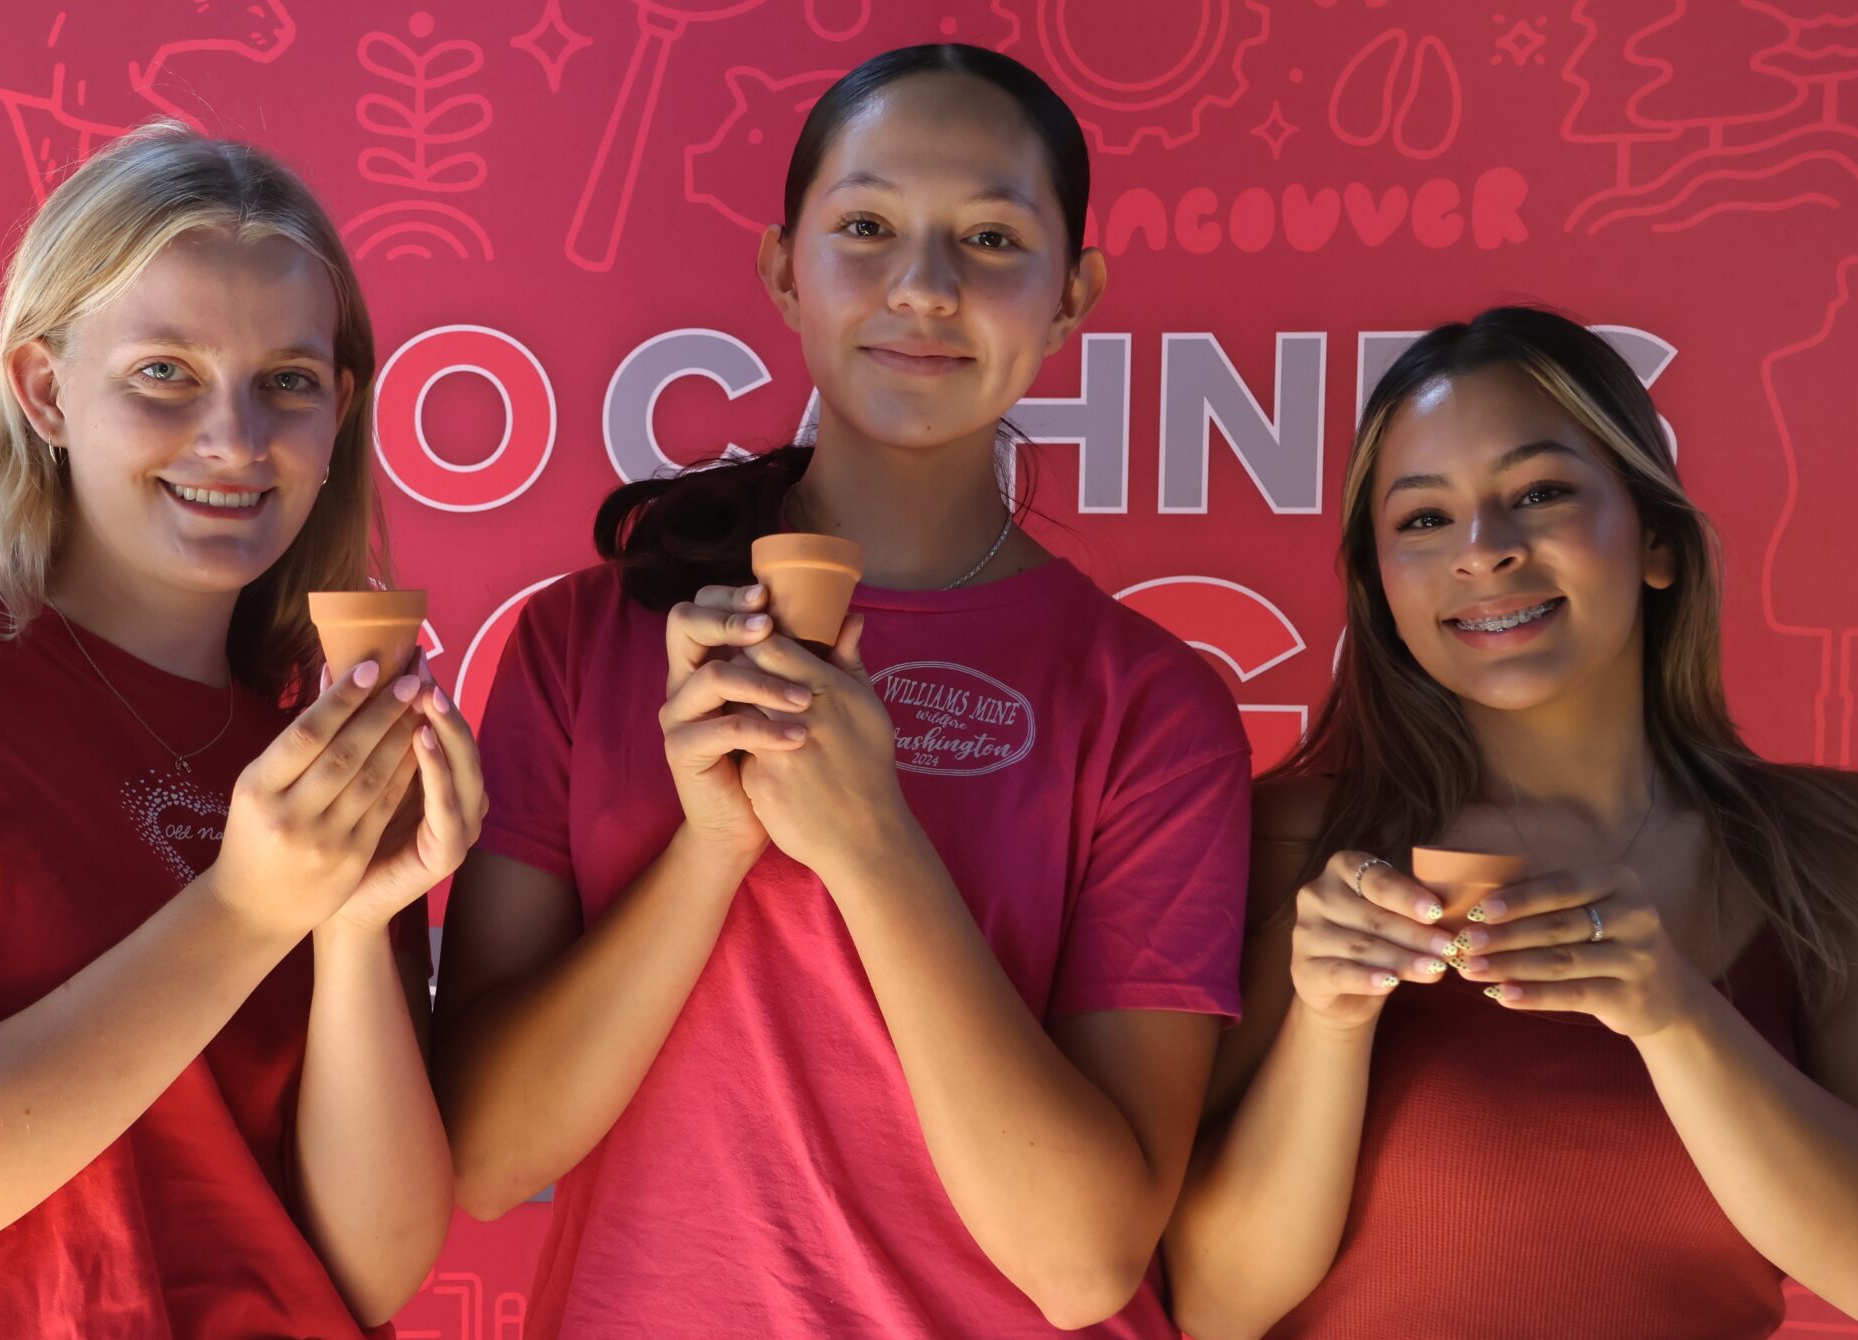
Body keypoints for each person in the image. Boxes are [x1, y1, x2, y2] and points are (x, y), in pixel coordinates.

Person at [432, 44, 1251, 1337]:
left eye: (991, 238)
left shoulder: (1150, 706)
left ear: (1073, 295)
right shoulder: (579, 643)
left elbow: (1085, 1264)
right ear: (782, 269)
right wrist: (710, 851)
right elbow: (483, 1158)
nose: (924, 288)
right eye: (866, 227)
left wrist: (872, 845)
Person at [0, 122, 477, 1338]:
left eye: (288, 382)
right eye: (165, 370)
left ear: (338, 415)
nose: (236, 438)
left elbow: (367, 1268)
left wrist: (357, 918)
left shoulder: (324, 743)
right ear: (44, 388)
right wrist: (252, 906)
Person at [1165, 307, 1858, 1339]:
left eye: (1539, 493)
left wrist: (1672, 1014)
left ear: (1655, 540)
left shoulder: (1830, 845)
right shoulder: (1295, 842)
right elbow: (1213, 1307)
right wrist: (1329, 1022)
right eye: (1424, 519)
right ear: (1380, 586)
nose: (1482, 551)